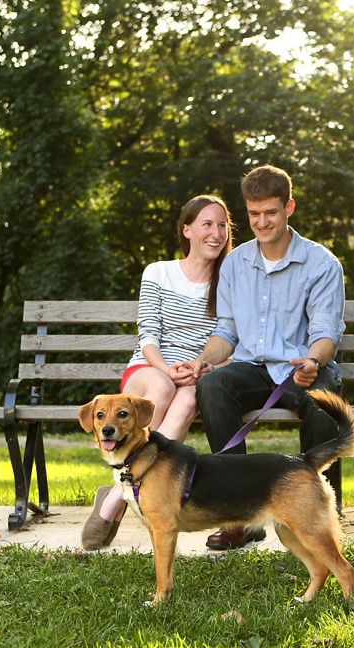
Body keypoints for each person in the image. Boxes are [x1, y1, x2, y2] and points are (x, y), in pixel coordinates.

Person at [185, 164, 345, 550]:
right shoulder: (236, 263)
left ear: (288, 207)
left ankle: (316, 511)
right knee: (213, 385)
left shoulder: (321, 263)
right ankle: (242, 515)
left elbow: (325, 331)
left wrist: (313, 362)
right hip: (253, 370)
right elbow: (226, 332)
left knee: (323, 399)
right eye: (253, 214)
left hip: (301, 368)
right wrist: (205, 360)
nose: (261, 222)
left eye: (270, 212)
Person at [81, 194, 234, 550]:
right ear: (187, 230)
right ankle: (125, 491)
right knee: (164, 392)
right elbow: (148, 333)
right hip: (150, 367)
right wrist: (166, 369)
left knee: (184, 404)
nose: (216, 233)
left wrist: (206, 366)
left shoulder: (230, 280)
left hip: (199, 372)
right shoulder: (159, 271)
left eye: (223, 225)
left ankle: (117, 495)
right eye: (207, 224)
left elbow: (231, 338)